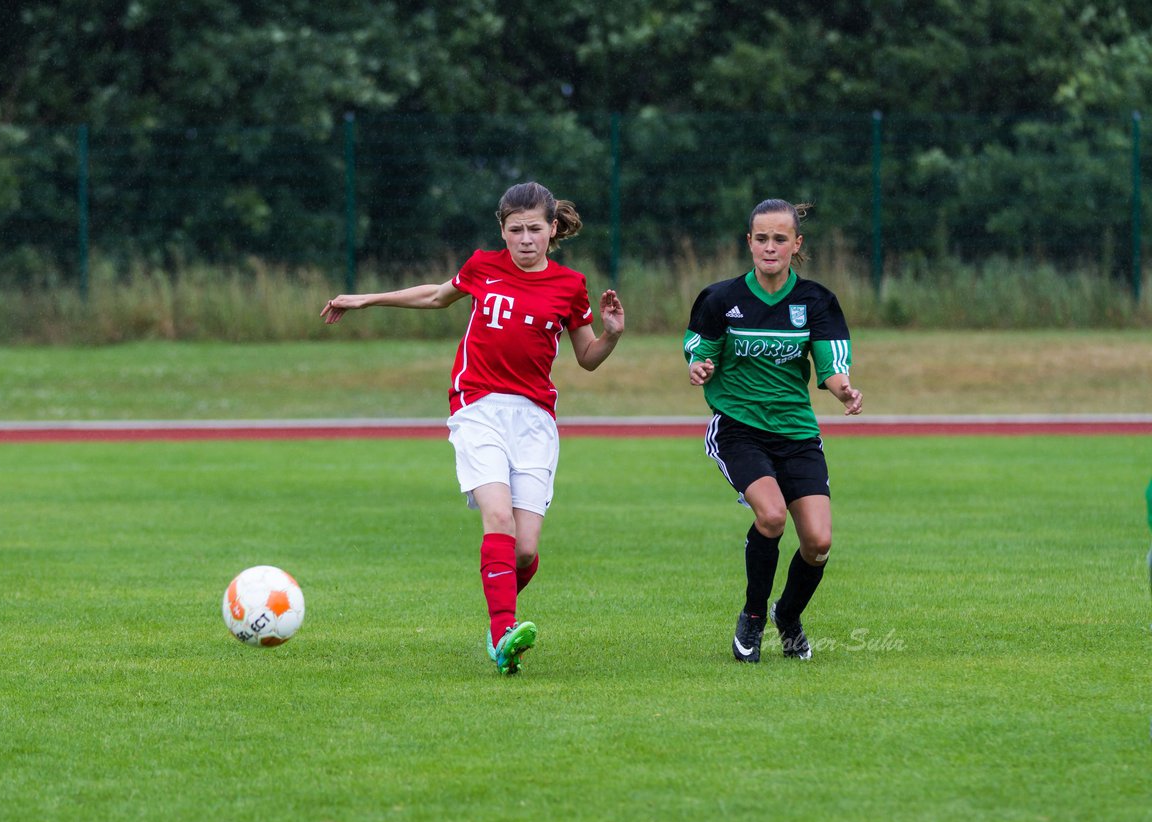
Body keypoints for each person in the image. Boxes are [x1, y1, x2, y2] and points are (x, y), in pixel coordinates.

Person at [321, 181, 625, 675]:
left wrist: (611, 335)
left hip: (534, 419)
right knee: (499, 521)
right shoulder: (483, 265)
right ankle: (504, 633)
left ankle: (496, 616)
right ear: (502, 231)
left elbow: (588, 358)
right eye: (515, 230)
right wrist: (367, 299)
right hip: (477, 406)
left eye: (534, 229)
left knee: (525, 548)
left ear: (553, 229)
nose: (525, 239)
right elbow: (436, 297)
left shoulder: (570, 286)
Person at [682, 199, 862, 663]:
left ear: (796, 244)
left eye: (780, 239)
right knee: (772, 515)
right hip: (739, 429)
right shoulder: (721, 299)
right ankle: (754, 616)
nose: (770, 246)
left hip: (797, 431)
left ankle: (789, 616)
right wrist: (700, 367)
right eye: (761, 238)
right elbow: (700, 351)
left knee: (819, 542)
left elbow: (831, 366)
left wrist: (844, 392)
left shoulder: (816, 301)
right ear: (749, 242)